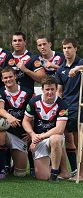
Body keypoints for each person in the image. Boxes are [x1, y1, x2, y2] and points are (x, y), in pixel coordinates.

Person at [22, 76, 68, 181]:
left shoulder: (62, 104)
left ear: (56, 89)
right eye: (47, 89)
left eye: (52, 89)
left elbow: (59, 129)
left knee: (56, 139)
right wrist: (32, 135)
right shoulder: (34, 101)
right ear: (42, 89)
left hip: (50, 137)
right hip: (39, 138)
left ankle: (55, 172)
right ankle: (54, 165)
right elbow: (25, 121)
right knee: (42, 177)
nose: (50, 92)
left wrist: (39, 137)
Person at [0, 66, 33, 179]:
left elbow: (34, 115)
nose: (8, 80)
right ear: (2, 79)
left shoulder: (27, 92)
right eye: (5, 78)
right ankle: (3, 168)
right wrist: (9, 117)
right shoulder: (0, 93)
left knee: (20, 174)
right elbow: (0, 109)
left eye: (10, 76)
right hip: (9, 134)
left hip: (22, 136)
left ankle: (19, 166)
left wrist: (31, 133)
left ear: (15, 76)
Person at [56, 38, 83, 180]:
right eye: (64, 48)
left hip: (79, 106)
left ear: (75, 49)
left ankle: (82, 172)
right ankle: (70, 171)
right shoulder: (60, 69)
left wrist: (77, 69)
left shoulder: (80, 63)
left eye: (69, 48)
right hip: (65, 107)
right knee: (65, 138)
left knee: (80, 140)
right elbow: (59, 91)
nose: (66, 50)